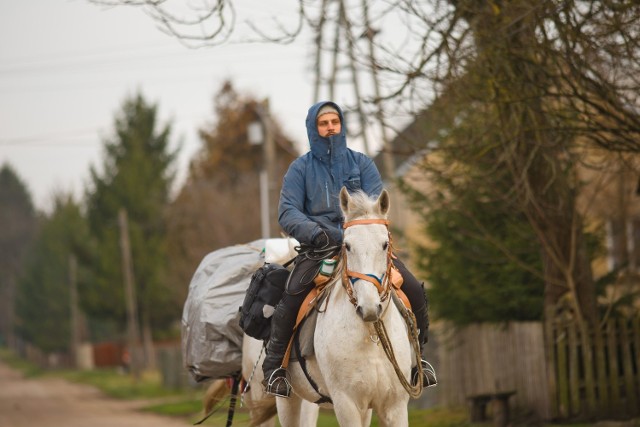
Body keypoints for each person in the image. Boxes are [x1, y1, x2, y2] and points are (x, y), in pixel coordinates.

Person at [262, 101, 437, 398]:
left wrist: (354, 232)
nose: (330, 127)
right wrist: (315, 233)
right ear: (313, 129)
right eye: (323, 123)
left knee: (415, 291)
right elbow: (287, 211)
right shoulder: (299, 169)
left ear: (341, 125)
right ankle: (274, 369)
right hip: (319, 250)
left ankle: (418, 360)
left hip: (365, 247)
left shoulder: (362, 164)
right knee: (291, 296)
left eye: (334, 121)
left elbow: (374, 207)